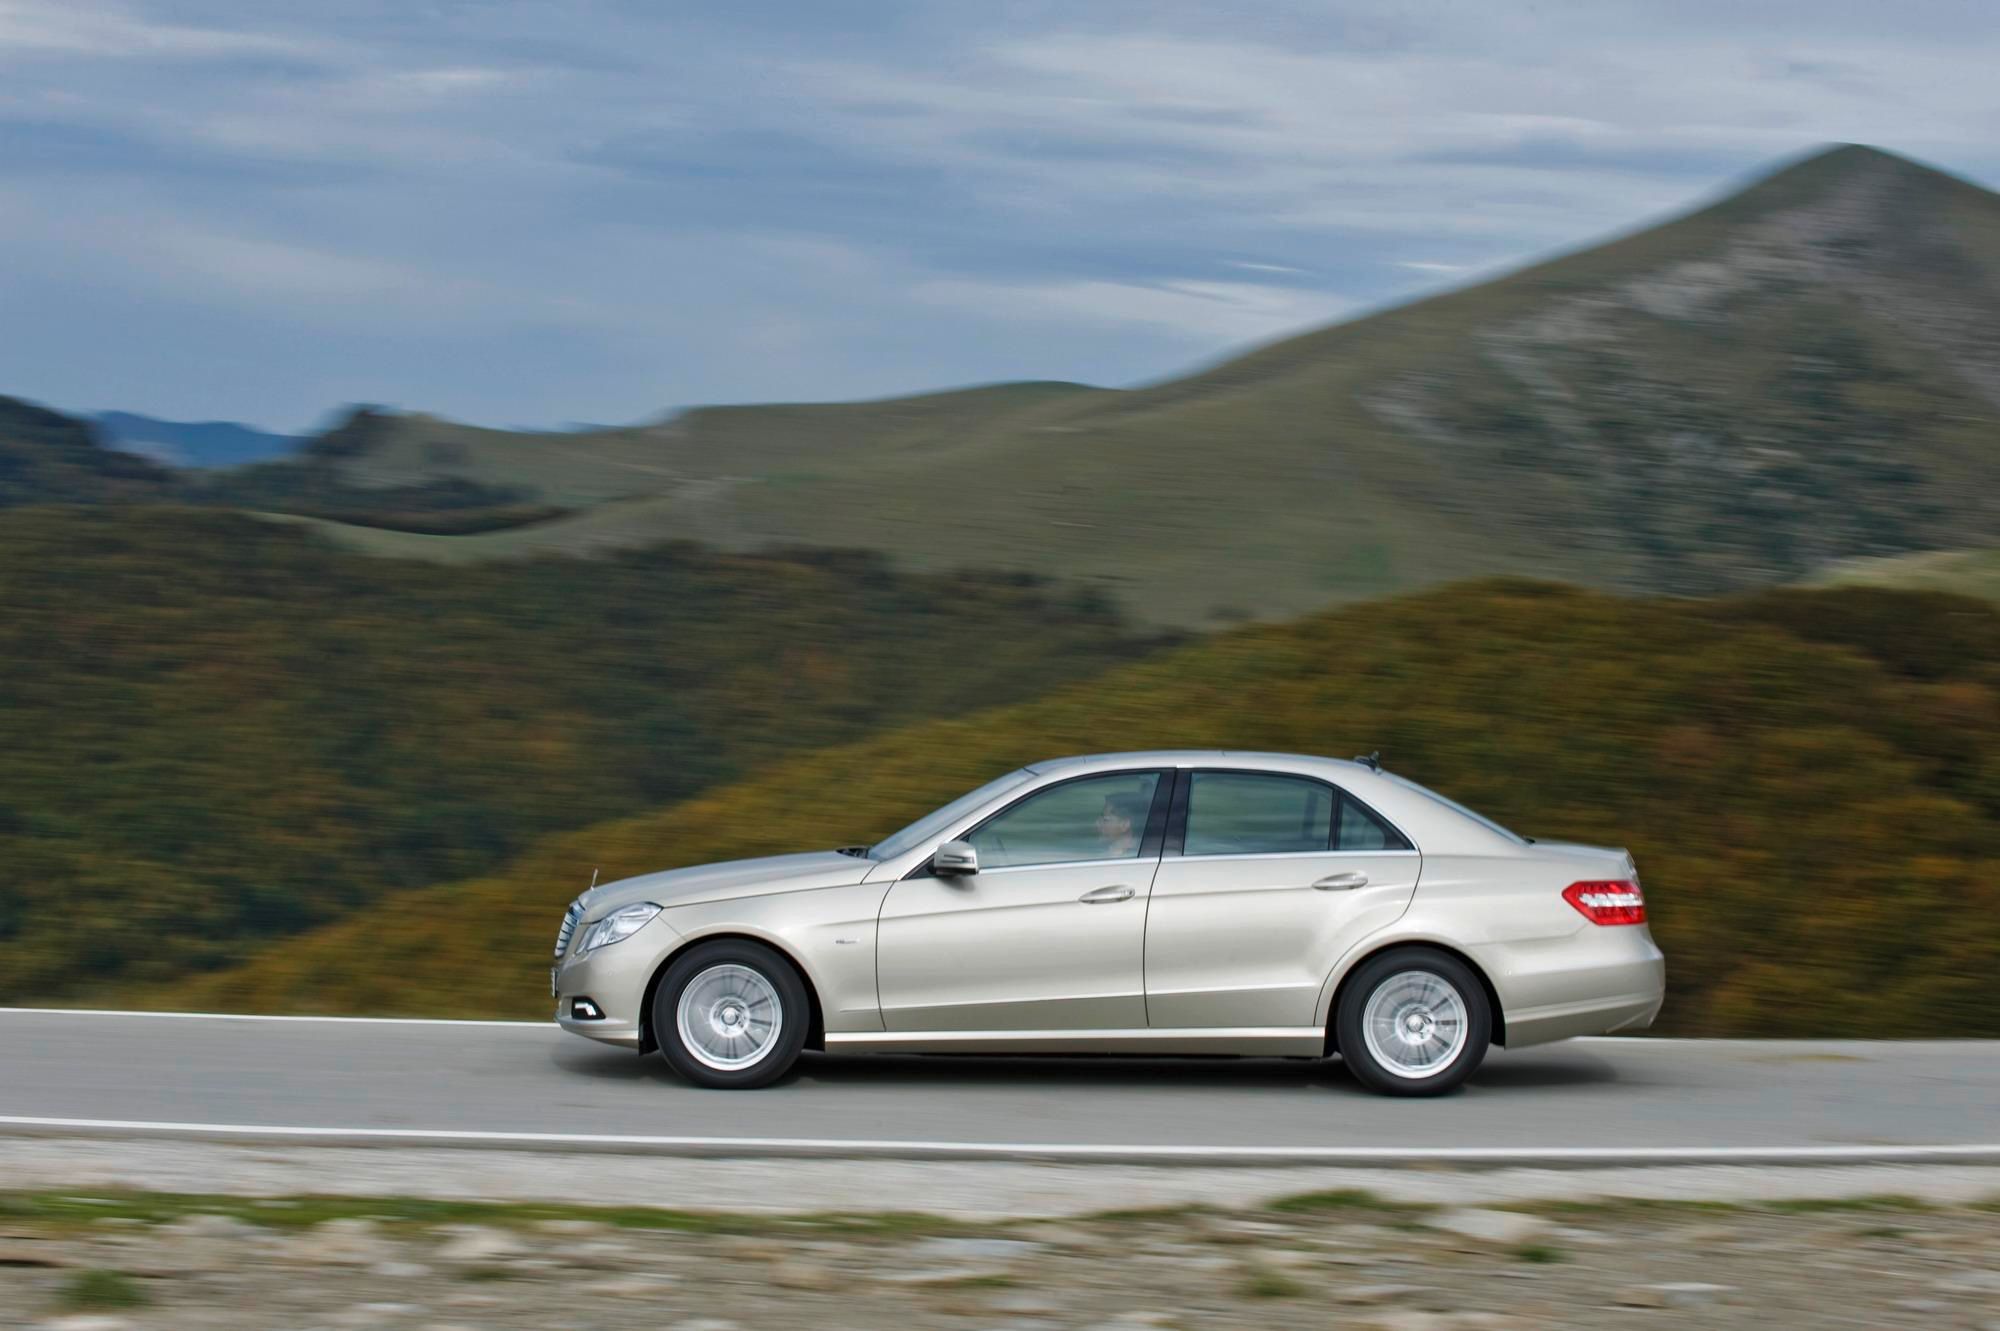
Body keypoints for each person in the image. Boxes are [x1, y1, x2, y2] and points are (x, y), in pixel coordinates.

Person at [1096, 791, 1150, 858]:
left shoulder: (1129, 859)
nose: (1097, 823)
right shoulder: (1117, 853)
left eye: (1105, 820)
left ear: (1125, 824)